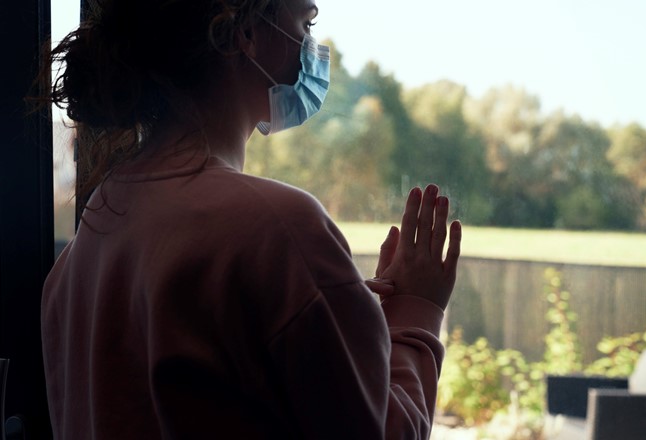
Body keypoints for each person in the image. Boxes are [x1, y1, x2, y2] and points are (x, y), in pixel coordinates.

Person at [40, 0, 462, 438]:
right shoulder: (278, 231)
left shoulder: (85, 247)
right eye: (306, 22)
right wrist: (416, 311)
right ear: (244, 33)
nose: (312, 45)